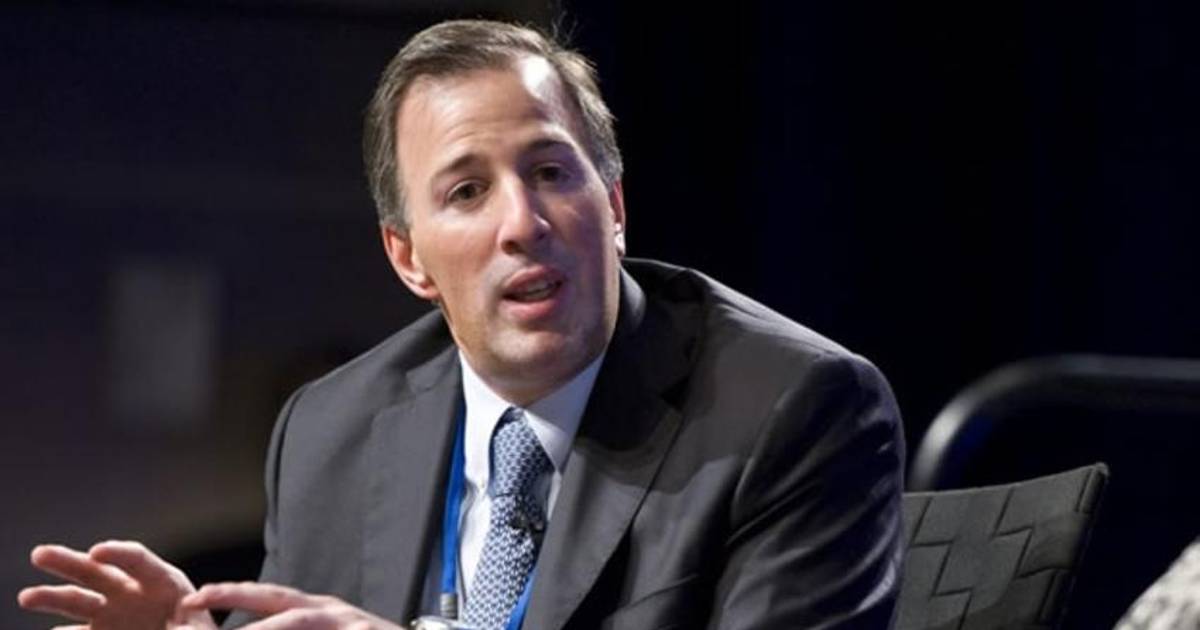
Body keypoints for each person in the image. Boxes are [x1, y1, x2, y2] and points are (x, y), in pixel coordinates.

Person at [18, 19, 905, 630]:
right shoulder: (331, 430)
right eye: (468, 191)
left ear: (615, 205)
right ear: (409, 259)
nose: (523, 222)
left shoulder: (790, 409)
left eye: (552, 171)